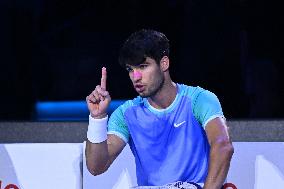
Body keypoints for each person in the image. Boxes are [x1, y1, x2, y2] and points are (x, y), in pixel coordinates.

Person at [85, 29, 234, 189]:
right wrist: (97, 118)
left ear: (164, 63)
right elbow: (96, 167)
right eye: (130, 69)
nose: (136, 77)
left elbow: (223, 146)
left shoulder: (199, 99)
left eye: (143, 66)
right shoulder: (126, 113)